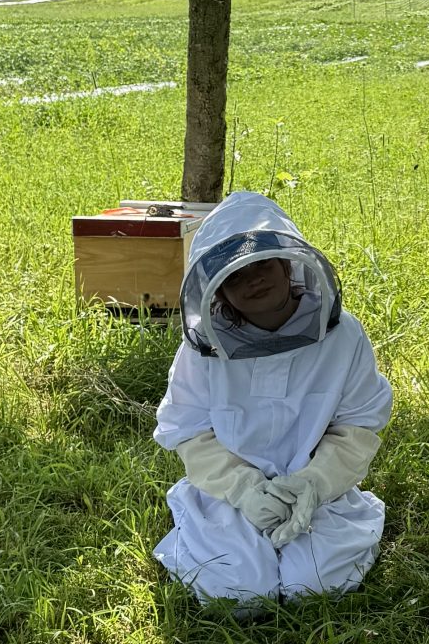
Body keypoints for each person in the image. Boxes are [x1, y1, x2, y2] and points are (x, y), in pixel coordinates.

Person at [152, 190, 393, 608]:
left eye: (262, 264)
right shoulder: (204, 349)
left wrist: (314, 484)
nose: (254, 280)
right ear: (217, 292)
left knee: (314, 586)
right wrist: (244, 490)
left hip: (319, 489)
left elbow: (357, 427)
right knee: (241, 594)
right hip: (228, 493)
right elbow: (188, 432)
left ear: (289, 265)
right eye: (235, 276)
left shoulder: (343, 336)